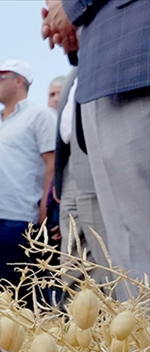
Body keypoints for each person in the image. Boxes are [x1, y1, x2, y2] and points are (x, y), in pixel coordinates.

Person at [42, 0, 150, 291]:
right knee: (127, 255)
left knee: (136, 247)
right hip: (113, 69)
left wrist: (73, 5)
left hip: (134, 63)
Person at [0, 60, 56, 290]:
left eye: (0, 78)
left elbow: (52, 164)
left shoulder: (40, 116)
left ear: (19, 81)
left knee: (16, 294)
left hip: (17, 218)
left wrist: (44, 212)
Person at [54, 68, 108, 284]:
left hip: (97, 157)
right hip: (70, 168)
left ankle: (121, 312)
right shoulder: (72, 75)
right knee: (72, 255)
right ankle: (75, 315)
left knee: (105, 253)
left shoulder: (100, 61)